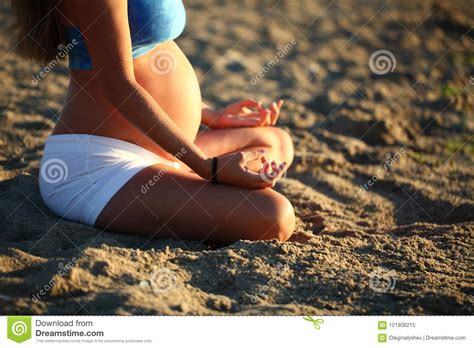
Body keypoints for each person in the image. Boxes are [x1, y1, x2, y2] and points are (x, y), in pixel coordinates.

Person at [11, 0, 295, 244]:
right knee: (274, 217)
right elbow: (118, 86)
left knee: (275, 140)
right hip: (100, 167)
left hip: (160, 154)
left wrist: (211, 114)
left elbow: (152, 53)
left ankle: (179, 183)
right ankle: (185, 184)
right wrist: (208, 168)